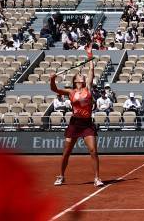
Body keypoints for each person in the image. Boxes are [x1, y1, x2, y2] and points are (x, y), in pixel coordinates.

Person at [50, 46, 104, 187]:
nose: (82, 75)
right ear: (75, 80)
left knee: (93, 150)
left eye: (82, 75)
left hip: (87, 124)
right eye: (80, 75)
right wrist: (52, 79)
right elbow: (54, 89)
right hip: (74, 124)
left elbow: (91, 69)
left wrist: (89, 53)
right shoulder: (70, 91)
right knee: (66, 152)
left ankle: (97, 178)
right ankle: (61, 176)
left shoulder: (88, 88)